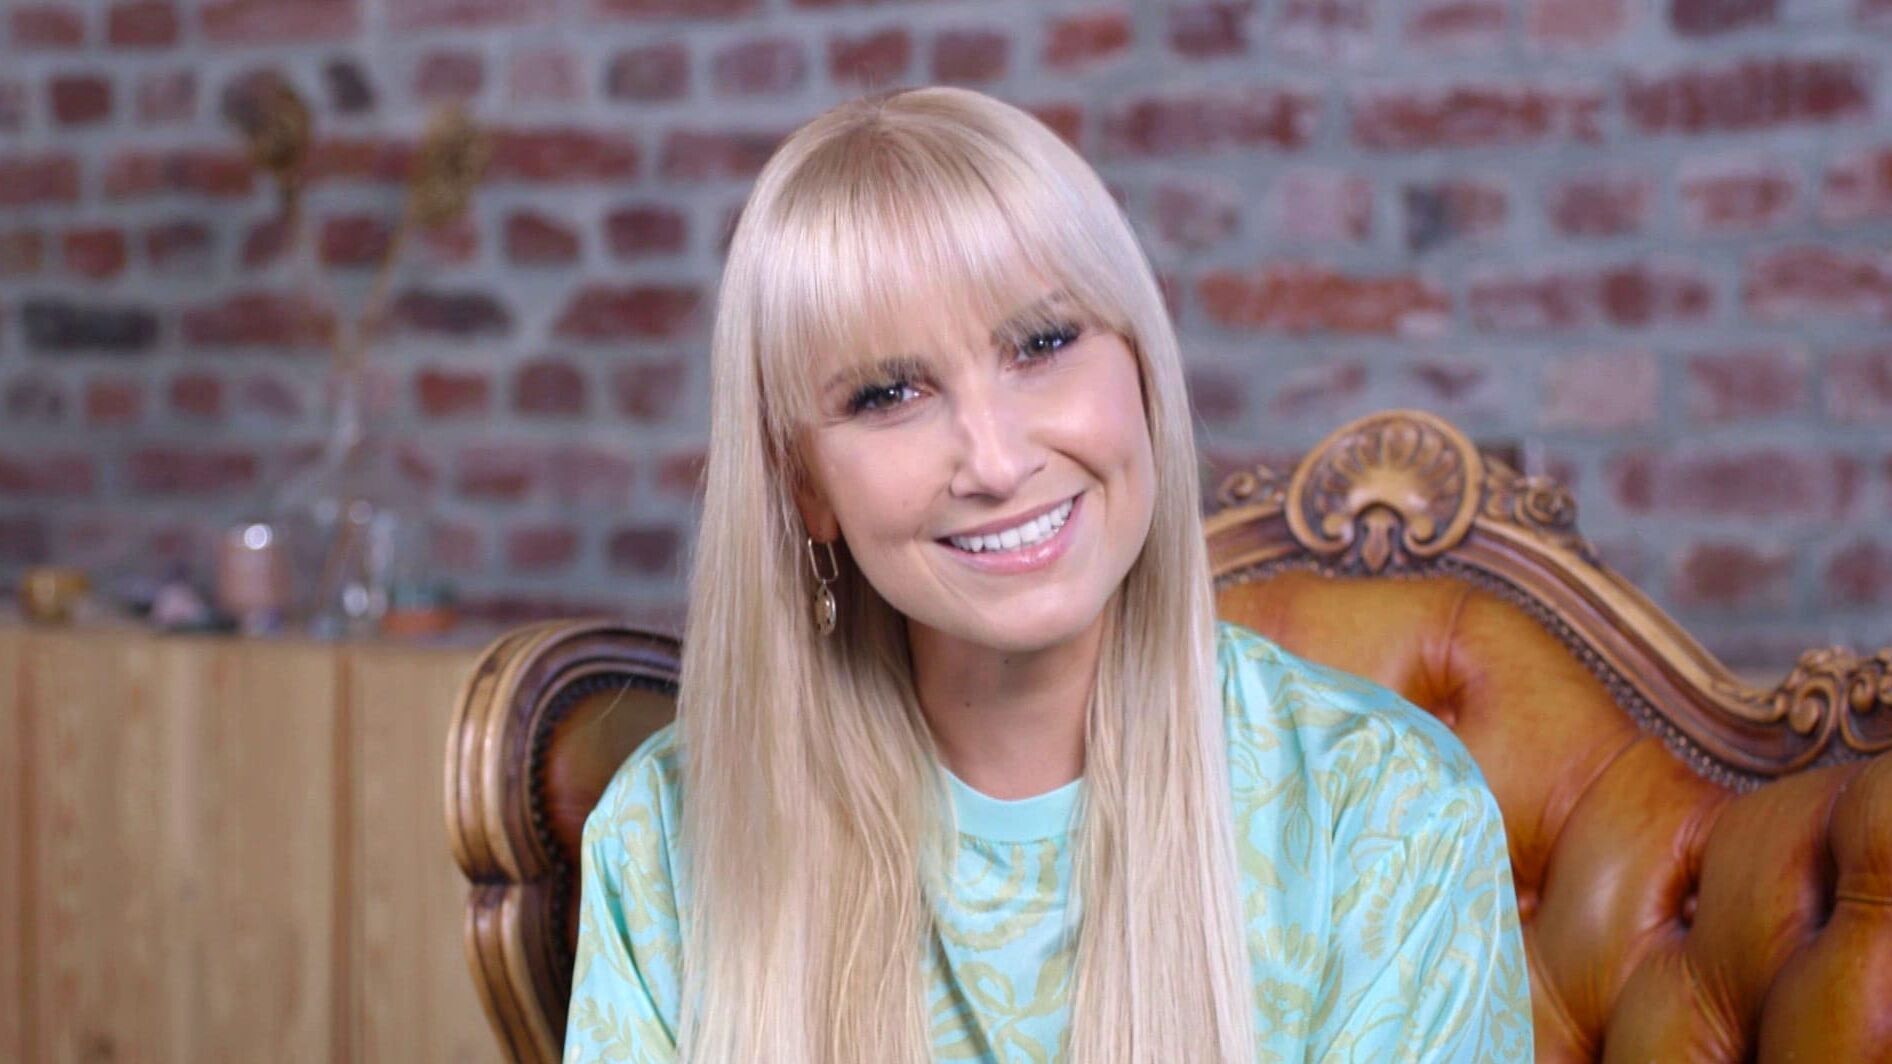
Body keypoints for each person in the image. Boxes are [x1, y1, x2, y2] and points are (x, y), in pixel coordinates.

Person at [563, 86, 1532, 1063]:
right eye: (889, 393)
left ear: (1142, 369)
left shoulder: (1386, 813)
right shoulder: (661, 843)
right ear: (804, 486)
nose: (994, 461)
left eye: (1042, 343)